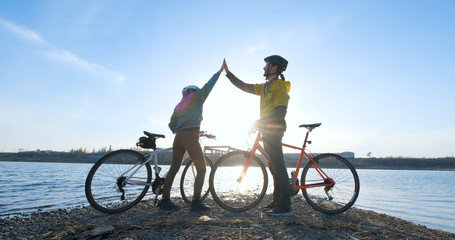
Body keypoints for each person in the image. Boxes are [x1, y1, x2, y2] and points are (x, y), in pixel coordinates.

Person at [223, 55, 292, 216]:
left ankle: (286, 206)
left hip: (274, 131)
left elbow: (280, 113)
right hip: (266, 130)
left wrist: (258, 123)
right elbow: (244, 86)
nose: (263, 68)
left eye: (266, 65)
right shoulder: (265, 87)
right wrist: (228, 73)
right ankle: (277, 200)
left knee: (279, 166)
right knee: (273, 166)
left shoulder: (279, 87)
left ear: (274, 67)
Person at [158, 59, 225, 212]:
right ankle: (195, 202)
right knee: (201, 169)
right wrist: (219, 72)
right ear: (193, 91)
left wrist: (180, 129)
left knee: (174, 168)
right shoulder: (197, 98)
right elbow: (209, 85)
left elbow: (171, 124)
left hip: (179, 138)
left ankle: (165, 200)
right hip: (190, 137)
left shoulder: (179, 106)